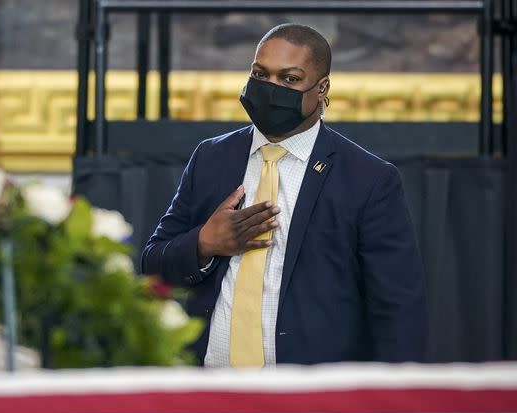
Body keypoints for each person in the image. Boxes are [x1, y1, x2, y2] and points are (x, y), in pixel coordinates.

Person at [141, 23, 427, 367]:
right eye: (260, 75)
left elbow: (397, 309)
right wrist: (203, 244)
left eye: (289, 79)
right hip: (208, 384)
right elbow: (152, 264)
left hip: (312, 395)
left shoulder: (369, 179)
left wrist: (391, 402)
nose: (271, 88)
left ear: (322, 88)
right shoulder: (211, 158)